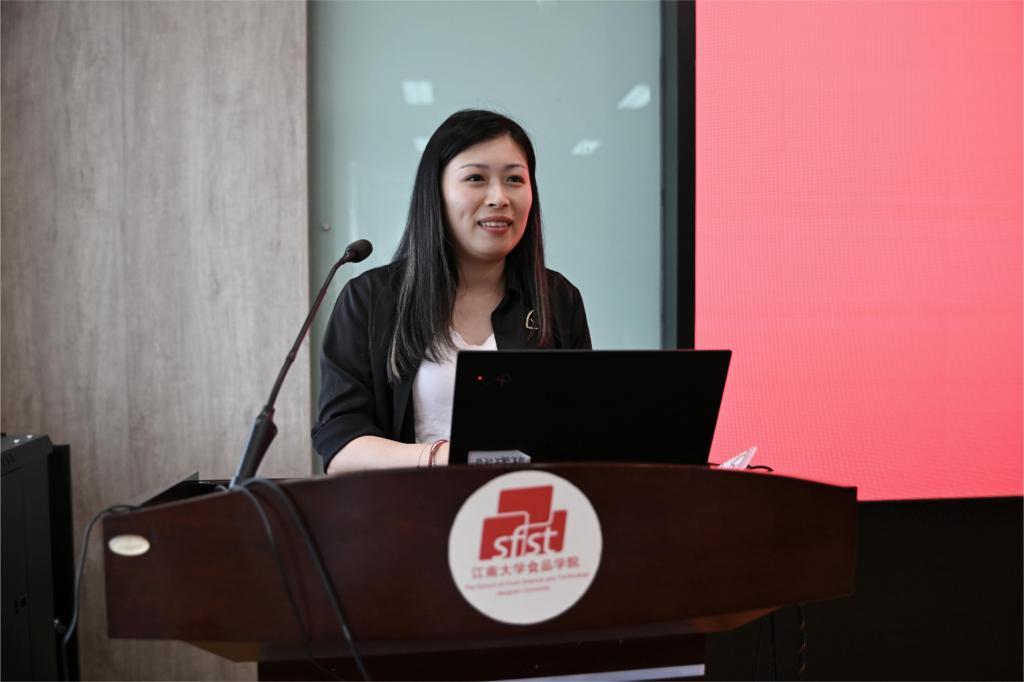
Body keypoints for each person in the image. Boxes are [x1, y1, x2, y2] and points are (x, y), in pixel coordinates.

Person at [312, 109, 591, 474]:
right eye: (476, 178)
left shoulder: (557, 298)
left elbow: (581, 431)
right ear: (436, 192)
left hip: (525, 505)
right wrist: (446, 457)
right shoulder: (371, 299)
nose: (499, 197)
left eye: (514, 179)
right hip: (410, 505)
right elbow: (341, 445)